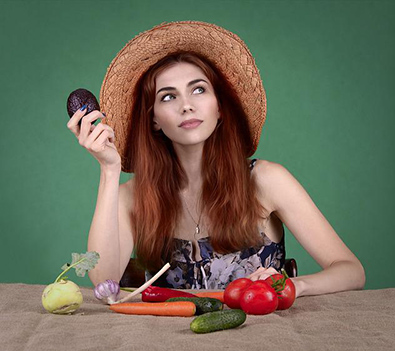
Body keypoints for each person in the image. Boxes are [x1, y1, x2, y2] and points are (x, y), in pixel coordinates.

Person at [67, 21, 365, 297]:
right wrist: (109, 169)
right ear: (154, 119)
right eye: (168, 97)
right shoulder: (132, 197)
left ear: (219, 107)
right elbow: (103, 282)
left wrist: (291, 285)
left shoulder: (265, 180)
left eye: (198, 90)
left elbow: (351, 271)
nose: (186, 106)